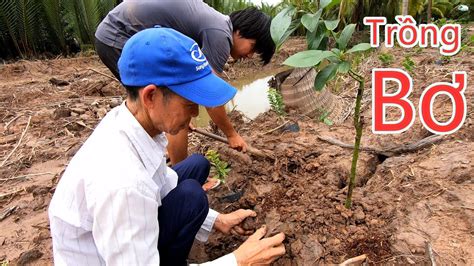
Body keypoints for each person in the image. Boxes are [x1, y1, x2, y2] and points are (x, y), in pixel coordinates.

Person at [49, 27, 285, 265]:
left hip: (120, 233)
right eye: (189, 104)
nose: (195, 113)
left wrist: (218, 221)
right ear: (151, 97)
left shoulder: (131, 122)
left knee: (194, 172)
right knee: (193, 195)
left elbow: (163, 185)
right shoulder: (123, 182)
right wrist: (239, 261)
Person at [95, 1, 276, 165]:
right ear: (240, 31)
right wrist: (232, 134)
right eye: (253, 47)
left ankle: (163, 161)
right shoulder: (221, 35)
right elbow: (210, 100)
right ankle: (180, 172)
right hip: (118, 36)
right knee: (173, 107)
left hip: (114, 32)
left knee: (175, 109)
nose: (250, 55)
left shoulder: (216, 24)